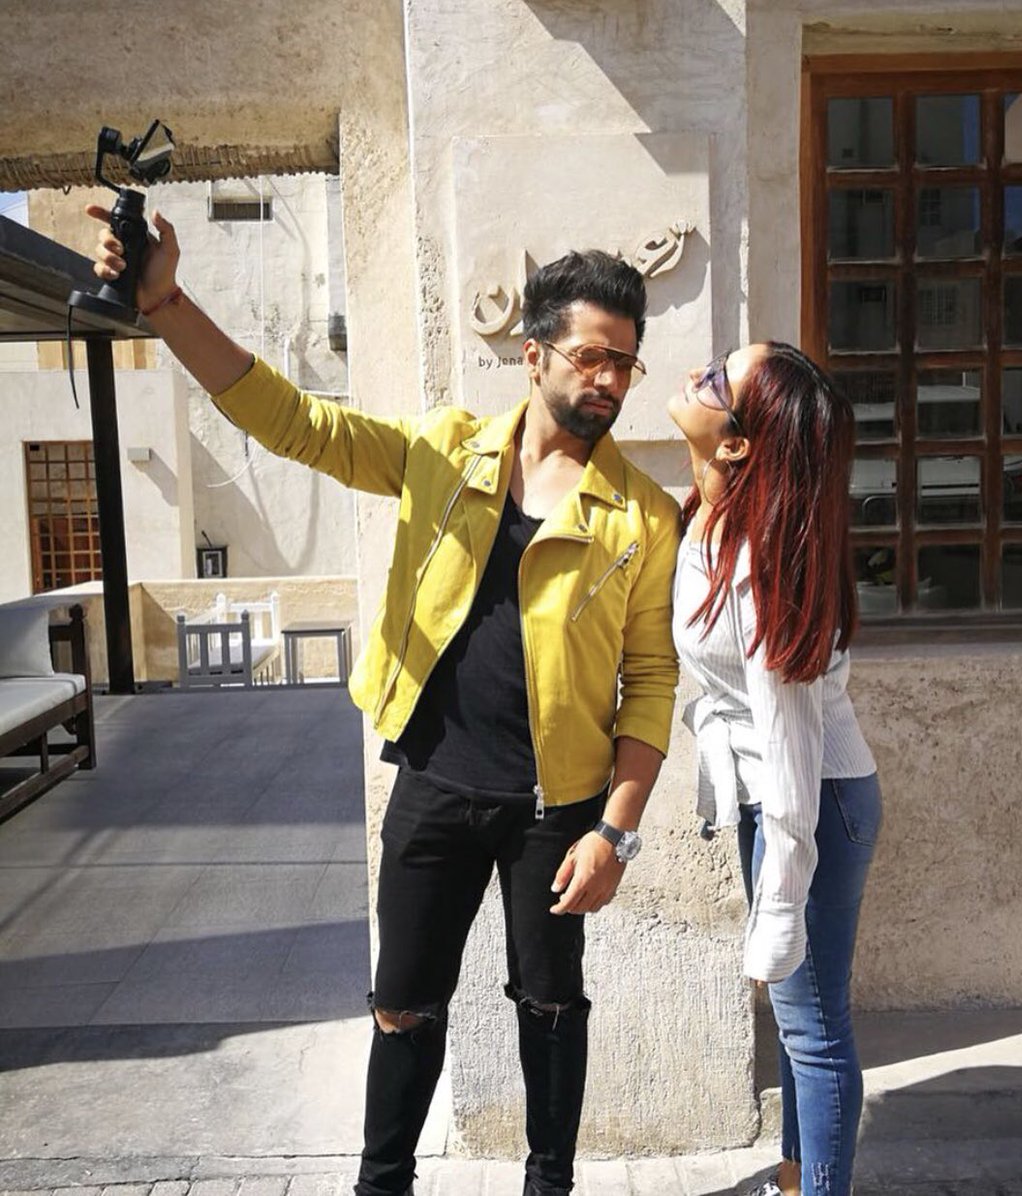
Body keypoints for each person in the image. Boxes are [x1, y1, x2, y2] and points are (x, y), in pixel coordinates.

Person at [87, 206, 681, 1196]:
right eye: (591, 356)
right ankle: (382, 1184)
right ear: (533, 355)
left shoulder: (643, 516)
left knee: (551, 1005)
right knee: (402, 1005)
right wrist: (165, 305)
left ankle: (551, 1184)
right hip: (435, 782)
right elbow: (294, 421)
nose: (610, 381)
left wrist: (612, 833)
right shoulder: (444, 452)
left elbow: (652, 678)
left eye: (625, 362)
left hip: (556, 809)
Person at [667, 343, 882, 1196]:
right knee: (800, 1027)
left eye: (720, 379)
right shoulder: (710, 515)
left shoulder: (761, 564)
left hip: (811, 801)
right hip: (782, 797)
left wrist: (783, 903)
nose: (699, 374)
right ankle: (794, 1180)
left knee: (814, 1030)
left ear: (736, 442)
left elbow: (792, 747)